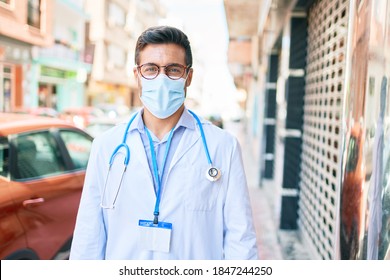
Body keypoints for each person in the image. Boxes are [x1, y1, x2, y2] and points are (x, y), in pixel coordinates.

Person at [70, 26, 258, 260]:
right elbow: (89, 235)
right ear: (137, 75)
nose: (161, 78)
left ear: (188, 77)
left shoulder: (222, 147)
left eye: (173, 69)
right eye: (151, 69)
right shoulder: (106, 146)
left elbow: (240, 240)